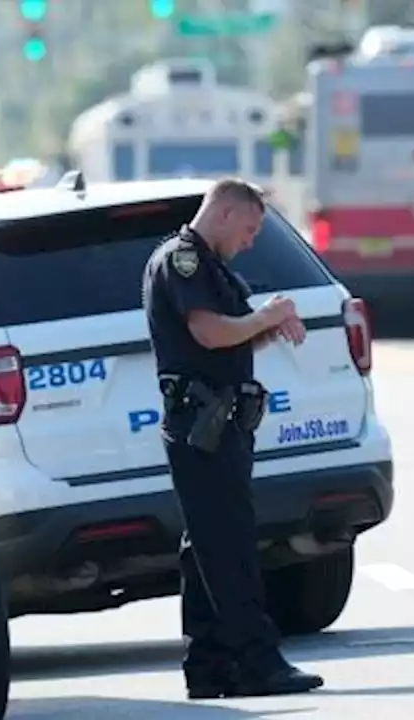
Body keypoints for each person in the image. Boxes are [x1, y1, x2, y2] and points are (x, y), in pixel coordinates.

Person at [142, 178, 323, 699]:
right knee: (230, 549)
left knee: (207, 548)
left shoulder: (212, 265)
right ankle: (257, 661)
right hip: (202, 426)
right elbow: (207, 332)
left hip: (219, 425)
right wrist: (263, 316)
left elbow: (231, 334)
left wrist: (271, 323)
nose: (249, 241)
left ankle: (209, 664)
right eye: (248, 229)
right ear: (223, 213)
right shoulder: (184, 261)